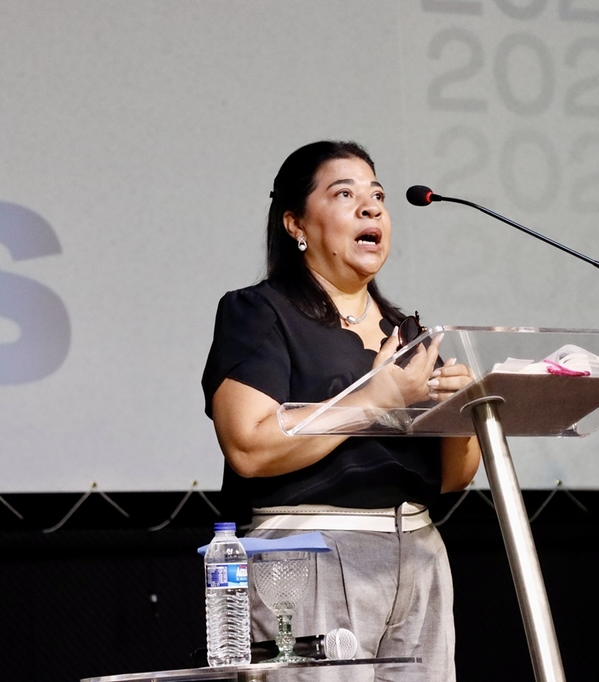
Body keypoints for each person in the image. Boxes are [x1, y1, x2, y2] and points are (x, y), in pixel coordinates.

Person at [201, 140, 481, 681]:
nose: (371, 207)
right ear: (295, 224)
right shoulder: (262, 312)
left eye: (378, 195)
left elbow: (451, 478)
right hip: (307, 556)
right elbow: (248, 447)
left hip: (418, 550)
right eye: (345, 194)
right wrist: (372, 400)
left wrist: (463, 416)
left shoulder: (409, 335)